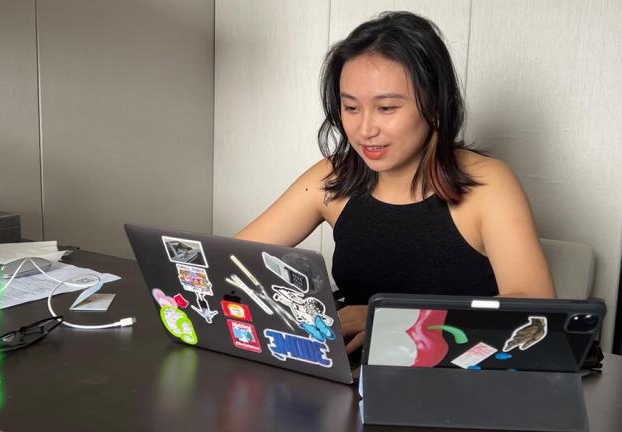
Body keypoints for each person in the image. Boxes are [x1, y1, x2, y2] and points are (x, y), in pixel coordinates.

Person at [235, 11, 556, 353]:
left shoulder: (488, 184)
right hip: (353, 377)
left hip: (461, 381)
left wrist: (389, 320)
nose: (365, 129)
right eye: (351, 108)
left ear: (434, 105)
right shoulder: (334, 176)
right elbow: (231, 262)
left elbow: (535, 312)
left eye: (386, 108)